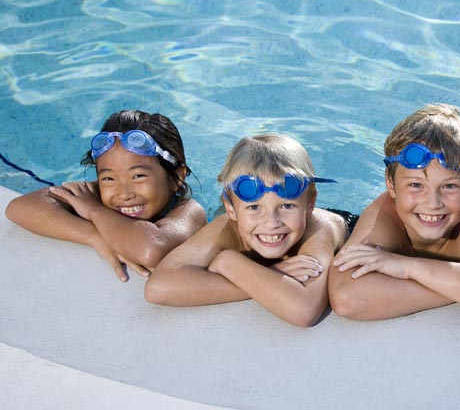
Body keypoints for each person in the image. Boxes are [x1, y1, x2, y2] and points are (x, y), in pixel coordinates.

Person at [329, 103, 460, 320]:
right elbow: (347, 299)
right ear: (391, 184)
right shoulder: (384, 216)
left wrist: (407, 268)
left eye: (449, 186)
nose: (433, 203)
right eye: (415, 185)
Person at [145, 134, 349, 327]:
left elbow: (303, 309)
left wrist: (229, 263)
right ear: (231, 209)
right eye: (254, 207)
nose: (272, 222)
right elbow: (158, 288)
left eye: (287, 206)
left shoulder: (320, 228)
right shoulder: (227, 227)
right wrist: (271, 274)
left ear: (310, 204)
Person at [5, 110, 207, 282]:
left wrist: (95, 211)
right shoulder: (98, 192)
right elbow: (20, 207)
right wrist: (95, 237)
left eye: (138, 176)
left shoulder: (189, 212)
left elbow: (151, 251)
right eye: (109, 178)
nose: (124, 193)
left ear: (177, 178)